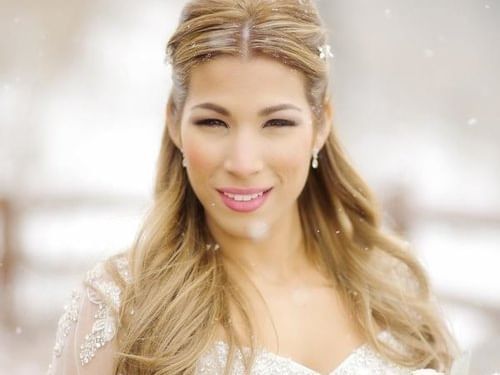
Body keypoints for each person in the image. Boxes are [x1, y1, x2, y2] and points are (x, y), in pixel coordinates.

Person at [47, 0, 458, 374]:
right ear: (175, 123)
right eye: (213, 122)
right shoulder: (120, 305)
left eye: (277, 123)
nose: (243, 163)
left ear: (321, 124)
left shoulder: (395, 290)